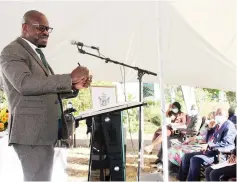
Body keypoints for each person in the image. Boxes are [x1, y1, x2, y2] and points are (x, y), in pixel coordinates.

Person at [0, 10, 92, 181]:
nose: (46, 32)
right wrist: (69, 78)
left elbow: (44, 89)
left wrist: (73, 85)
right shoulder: (12, 51)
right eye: (41, 27)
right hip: (31, 133)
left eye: (48, 29)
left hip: (43, 132)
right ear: (25, 28)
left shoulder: (34, 53)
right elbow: (25, 84)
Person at [177, 108, 236, 181]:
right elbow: (207, 139)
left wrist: (209, 145)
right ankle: (182, 179)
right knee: (186, 156)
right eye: (216, 114)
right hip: (209, 150)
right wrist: (209, 128)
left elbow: (226, 143)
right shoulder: (217, 125)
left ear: (226, 116)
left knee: (195, 159)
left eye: (220, 114)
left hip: (219, 153)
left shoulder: (229, 126)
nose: (217, 115)